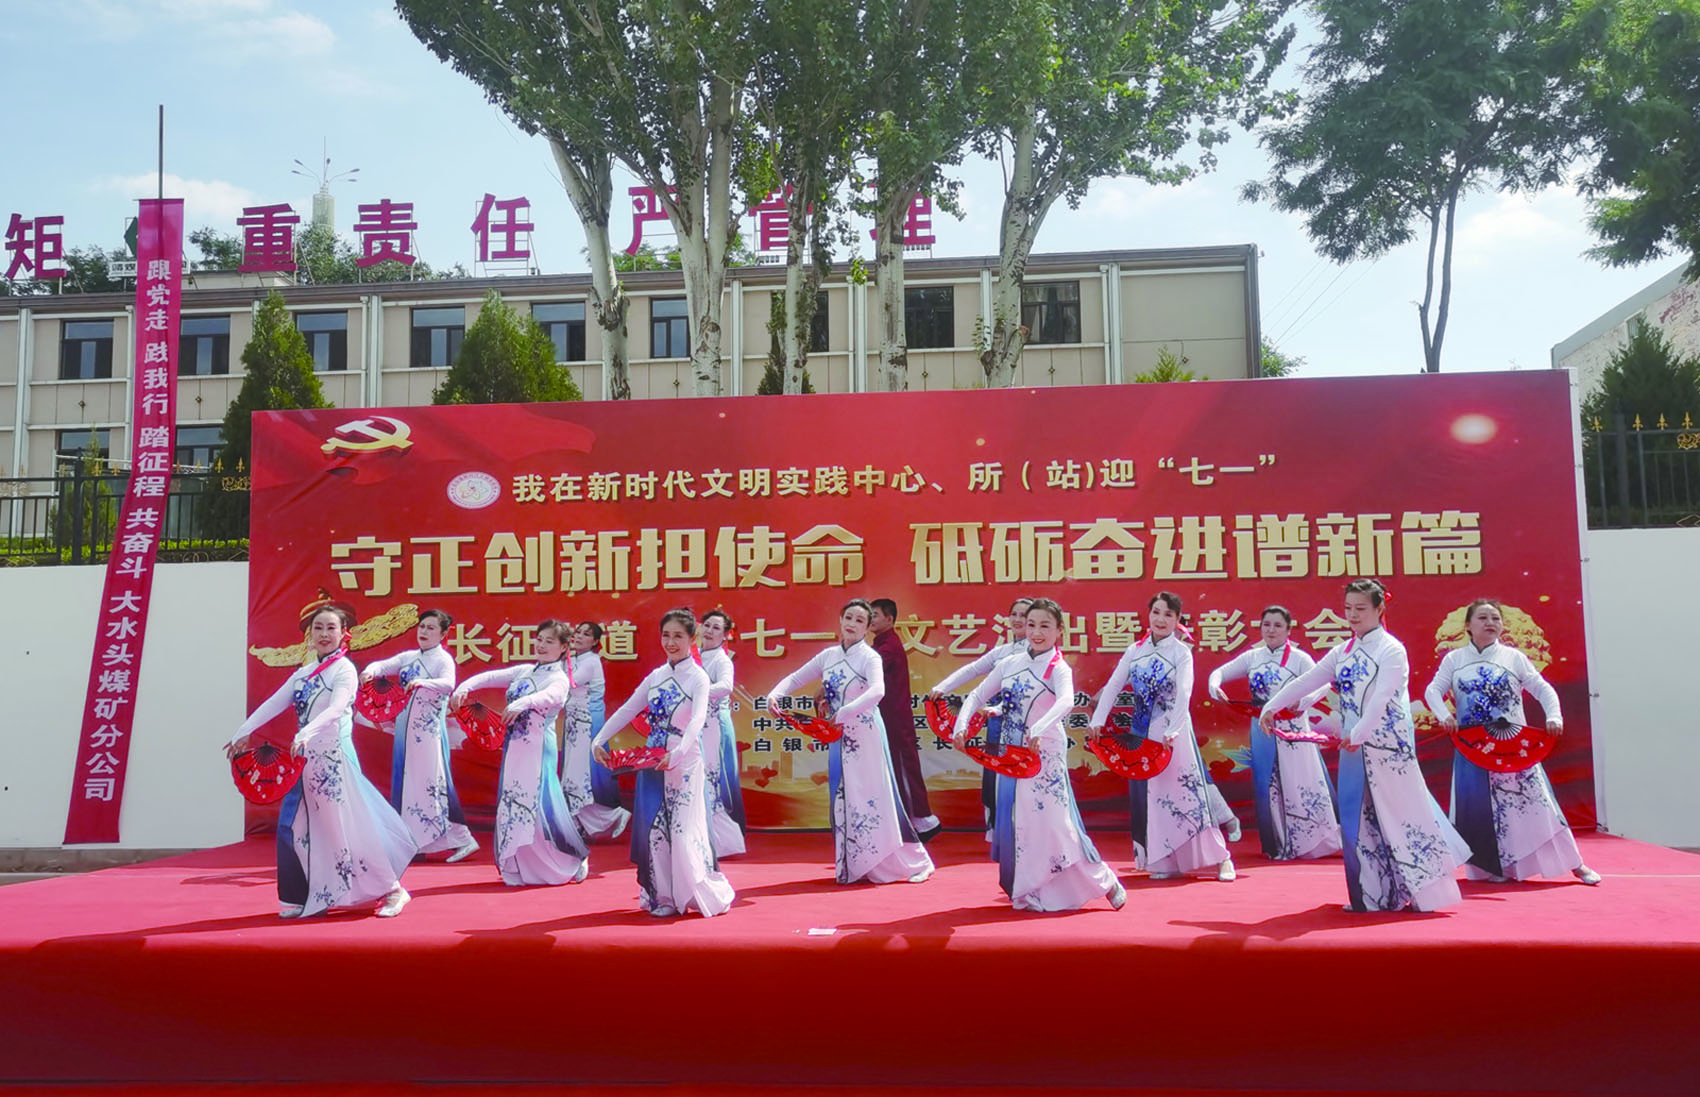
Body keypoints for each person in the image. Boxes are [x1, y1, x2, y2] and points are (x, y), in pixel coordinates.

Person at [1262, 580, 1471, 912]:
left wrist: (1358, 733)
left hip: (1388, 748)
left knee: (1403, 816)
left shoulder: (1392, 649)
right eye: (1348, 608)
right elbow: (1309, 680)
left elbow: (1382, 698)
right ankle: (1374, 895)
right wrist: (1271, 706)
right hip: (1354, 746)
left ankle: (1424, 892)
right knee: (1360, 819)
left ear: (1379, 609)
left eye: (1361, 608)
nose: (1353, 615)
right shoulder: (1343, 651)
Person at [225, 602, 415, 918]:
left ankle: (393, 889)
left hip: (333, 760)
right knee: (298, 828)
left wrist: (306, 732)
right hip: (305, 760)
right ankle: (308, 896)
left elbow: (337, 708)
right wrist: (241, 733)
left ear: (344, 634)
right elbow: (273, 703)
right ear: (310, 635)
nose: (324, 634)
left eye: (331, 628)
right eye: (318, 628)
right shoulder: (303, 674)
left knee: (348, 828)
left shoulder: (344, 670)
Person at [956, 598, 1125, 911]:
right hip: (1013, 753)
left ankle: (1104, 879)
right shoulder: (1010, 663)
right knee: (1025, 824)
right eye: (1031, 624)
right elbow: (978, 694)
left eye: (1045, 626)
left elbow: (1066, 701)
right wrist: (961, 724)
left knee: (1057, 825)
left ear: (1059, 631)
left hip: (1045, 753)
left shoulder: (1058, 667)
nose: (1036, 632)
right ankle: (1033, 890)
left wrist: (1039, 727)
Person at [1423, 599, 1600, 886]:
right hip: (1474, 747)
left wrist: (1554, 716)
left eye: (1496, 618)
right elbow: (1433, 691)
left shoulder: (1513, 657)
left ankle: (1574, 864)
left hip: (1513, 746)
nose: (1490, 623)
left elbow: (1542, 688)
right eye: (1483, 618)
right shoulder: (1454, 660)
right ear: (1468, 625)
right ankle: (1495, 868)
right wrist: (1444, 715)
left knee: (1538, 805)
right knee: (1481, 810)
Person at [768, 599, 935, 886]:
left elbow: (878, 691)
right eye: (848, 617)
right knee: (847, 799)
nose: (852, 624)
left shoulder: (870, 657)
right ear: (840, 620)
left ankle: (917, 861)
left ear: (868, 627)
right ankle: (860, 863)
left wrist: (845, 712)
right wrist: (776, 694)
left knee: (876, 798)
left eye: (859, 620)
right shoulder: (828, 656)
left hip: (865, 734)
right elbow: (796, 678)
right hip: (839, 735)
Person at [593, 608, 735, 917]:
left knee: (682, 831)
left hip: (684, 762)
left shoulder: (698, 677)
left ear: (692, 639)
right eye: (666, 635)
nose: (670, 642)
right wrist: (599, 739)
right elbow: (628, 709)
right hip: (652, 760)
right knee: (655, 829)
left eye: (678, 636)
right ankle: (664, 897)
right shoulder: (656, 677)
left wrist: (679, 753)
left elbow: (697, 720)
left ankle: (691, 893)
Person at [1091, 592, 1236, 883]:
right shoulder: (1135, 650)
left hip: (1174, 735)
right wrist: (1097, 720)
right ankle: (1167, 860)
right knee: (1156, 799)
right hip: (1142, 735)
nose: (1160, 619)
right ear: (1148, 615)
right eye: (1156, 612)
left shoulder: (1181, 652)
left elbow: (1184, 693)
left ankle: (1222, 858)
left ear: (1177, 620)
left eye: (1168, 614)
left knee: (1189, 795)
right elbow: (1114, 685)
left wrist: (1173, 729)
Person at [451, 620, 589, 887]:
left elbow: (550, 697)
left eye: (550, 641)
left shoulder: (558, 678)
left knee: (541, 805)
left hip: (538, 748)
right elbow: (490, 677)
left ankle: (570, 860)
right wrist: (464, 687)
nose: (542, 645)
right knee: (513, 801)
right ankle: (518, 863)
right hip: (514, 747)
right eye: (540, 639)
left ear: (563, 648)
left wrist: (523, 702)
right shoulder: (525, 670)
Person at [1206, 605, 1342, 862]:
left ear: (1288, 630)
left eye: (1278, 625)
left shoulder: (1299, 658)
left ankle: (1315, 842)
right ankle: (1279, 844)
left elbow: (1323, 684)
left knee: (1301, 782)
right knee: (1270, 786)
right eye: (1266, 625)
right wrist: (1215, 687)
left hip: (1294, 729)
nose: (1271, 630)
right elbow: (1219, 673)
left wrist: (1302, 702)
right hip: (1263, 730)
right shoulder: (1252, 657)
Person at [360, 608, 478, 863]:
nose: (424, 631)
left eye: (431, 628)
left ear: (443, 634)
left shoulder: (443, 659)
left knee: (432, 784)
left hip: (429, 734)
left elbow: (448, 684)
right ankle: (416, 842)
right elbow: (383, 665)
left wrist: (423, 683)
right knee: (410, 786)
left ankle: (463, 838)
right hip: (406, 731)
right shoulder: (409, 657)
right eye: (422, 627)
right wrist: (370, 670)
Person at [929, 596, 1032, 847]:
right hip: (997, 723)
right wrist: (942, 687)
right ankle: (1002, 833)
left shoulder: (1038, 654)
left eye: (1025, 615)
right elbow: (973, 669)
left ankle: (1028, 834)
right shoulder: (1002, 652)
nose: (1018, 620)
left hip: (1027, 724)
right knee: (996, 777)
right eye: (1015, 614)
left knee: (1025, 778)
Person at [870, 597, 939, 841]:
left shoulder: (887, 646)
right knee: (897, 766)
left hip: (895, 719)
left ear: (889, 619)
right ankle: (912, 820)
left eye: (874, 615)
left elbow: (863, 672)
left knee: (902, 765)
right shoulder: (880, 644)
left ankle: (920, 820)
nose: (870, 619)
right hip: (888, 716)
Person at [561, 620, 630, 841]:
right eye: (578, 632)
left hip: (589, 720)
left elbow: (569, 682)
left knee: (584, 774)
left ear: (595, 642)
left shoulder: (590, 661)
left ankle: (609, 813)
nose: (579, 636)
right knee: (572, 775)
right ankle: (580, 822)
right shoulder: (574, 659)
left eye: (586, 634)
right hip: (574, 721)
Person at [697, 609, 748, 857]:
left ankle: (726, 842)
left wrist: (696, 691)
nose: (709, 631)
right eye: (706, 625)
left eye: (716, 628)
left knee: (714, 782)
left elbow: (726, 687)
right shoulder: (693, 655)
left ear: (726, 635)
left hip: (715, 725)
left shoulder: (721, 660)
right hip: (696, 725)